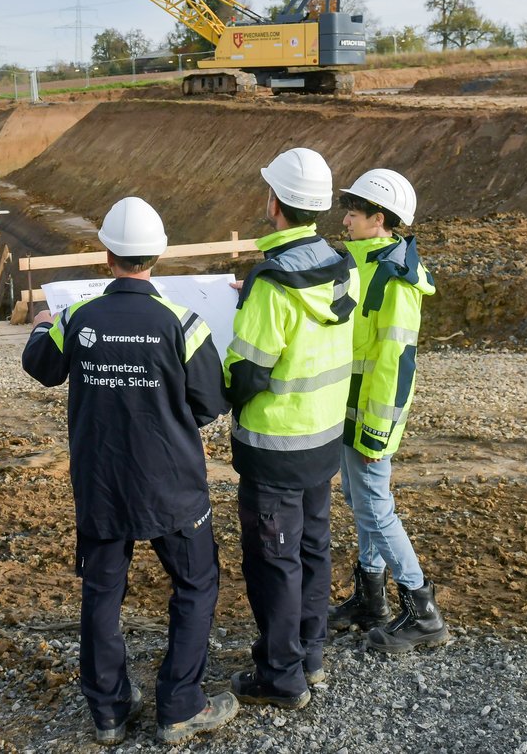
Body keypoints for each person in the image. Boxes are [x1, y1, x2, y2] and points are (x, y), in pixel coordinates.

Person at [22, 196, 239, 747]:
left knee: (101, 591)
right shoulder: (183, 323)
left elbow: (40, 367)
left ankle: (110, 711)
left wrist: (40, 325)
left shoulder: (78, 318)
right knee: (195, 584)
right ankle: (180, 704)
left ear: (108, 255)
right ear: (157, 256)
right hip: (172, 485)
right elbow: (211, 401)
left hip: (101, 484)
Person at [223, 148, 356, 710]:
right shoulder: (339, 263)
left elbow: (246, 374)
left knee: (274, 560)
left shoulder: (271, 283)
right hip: (322, 439)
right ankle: (312, 653)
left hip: (274, 448)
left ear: (273, 202)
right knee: (312, 547)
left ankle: (282, 676)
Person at [328, 168, 450, 653]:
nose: (346, 219)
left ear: (378, 219)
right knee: (361, 505)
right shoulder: (361, 261)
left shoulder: (395, 278)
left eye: (354, 213)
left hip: (370, 419)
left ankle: (424, 611)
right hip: (349, 409)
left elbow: (396, 362)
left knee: (377, 510)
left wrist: (378, 433)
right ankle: (371, 599)